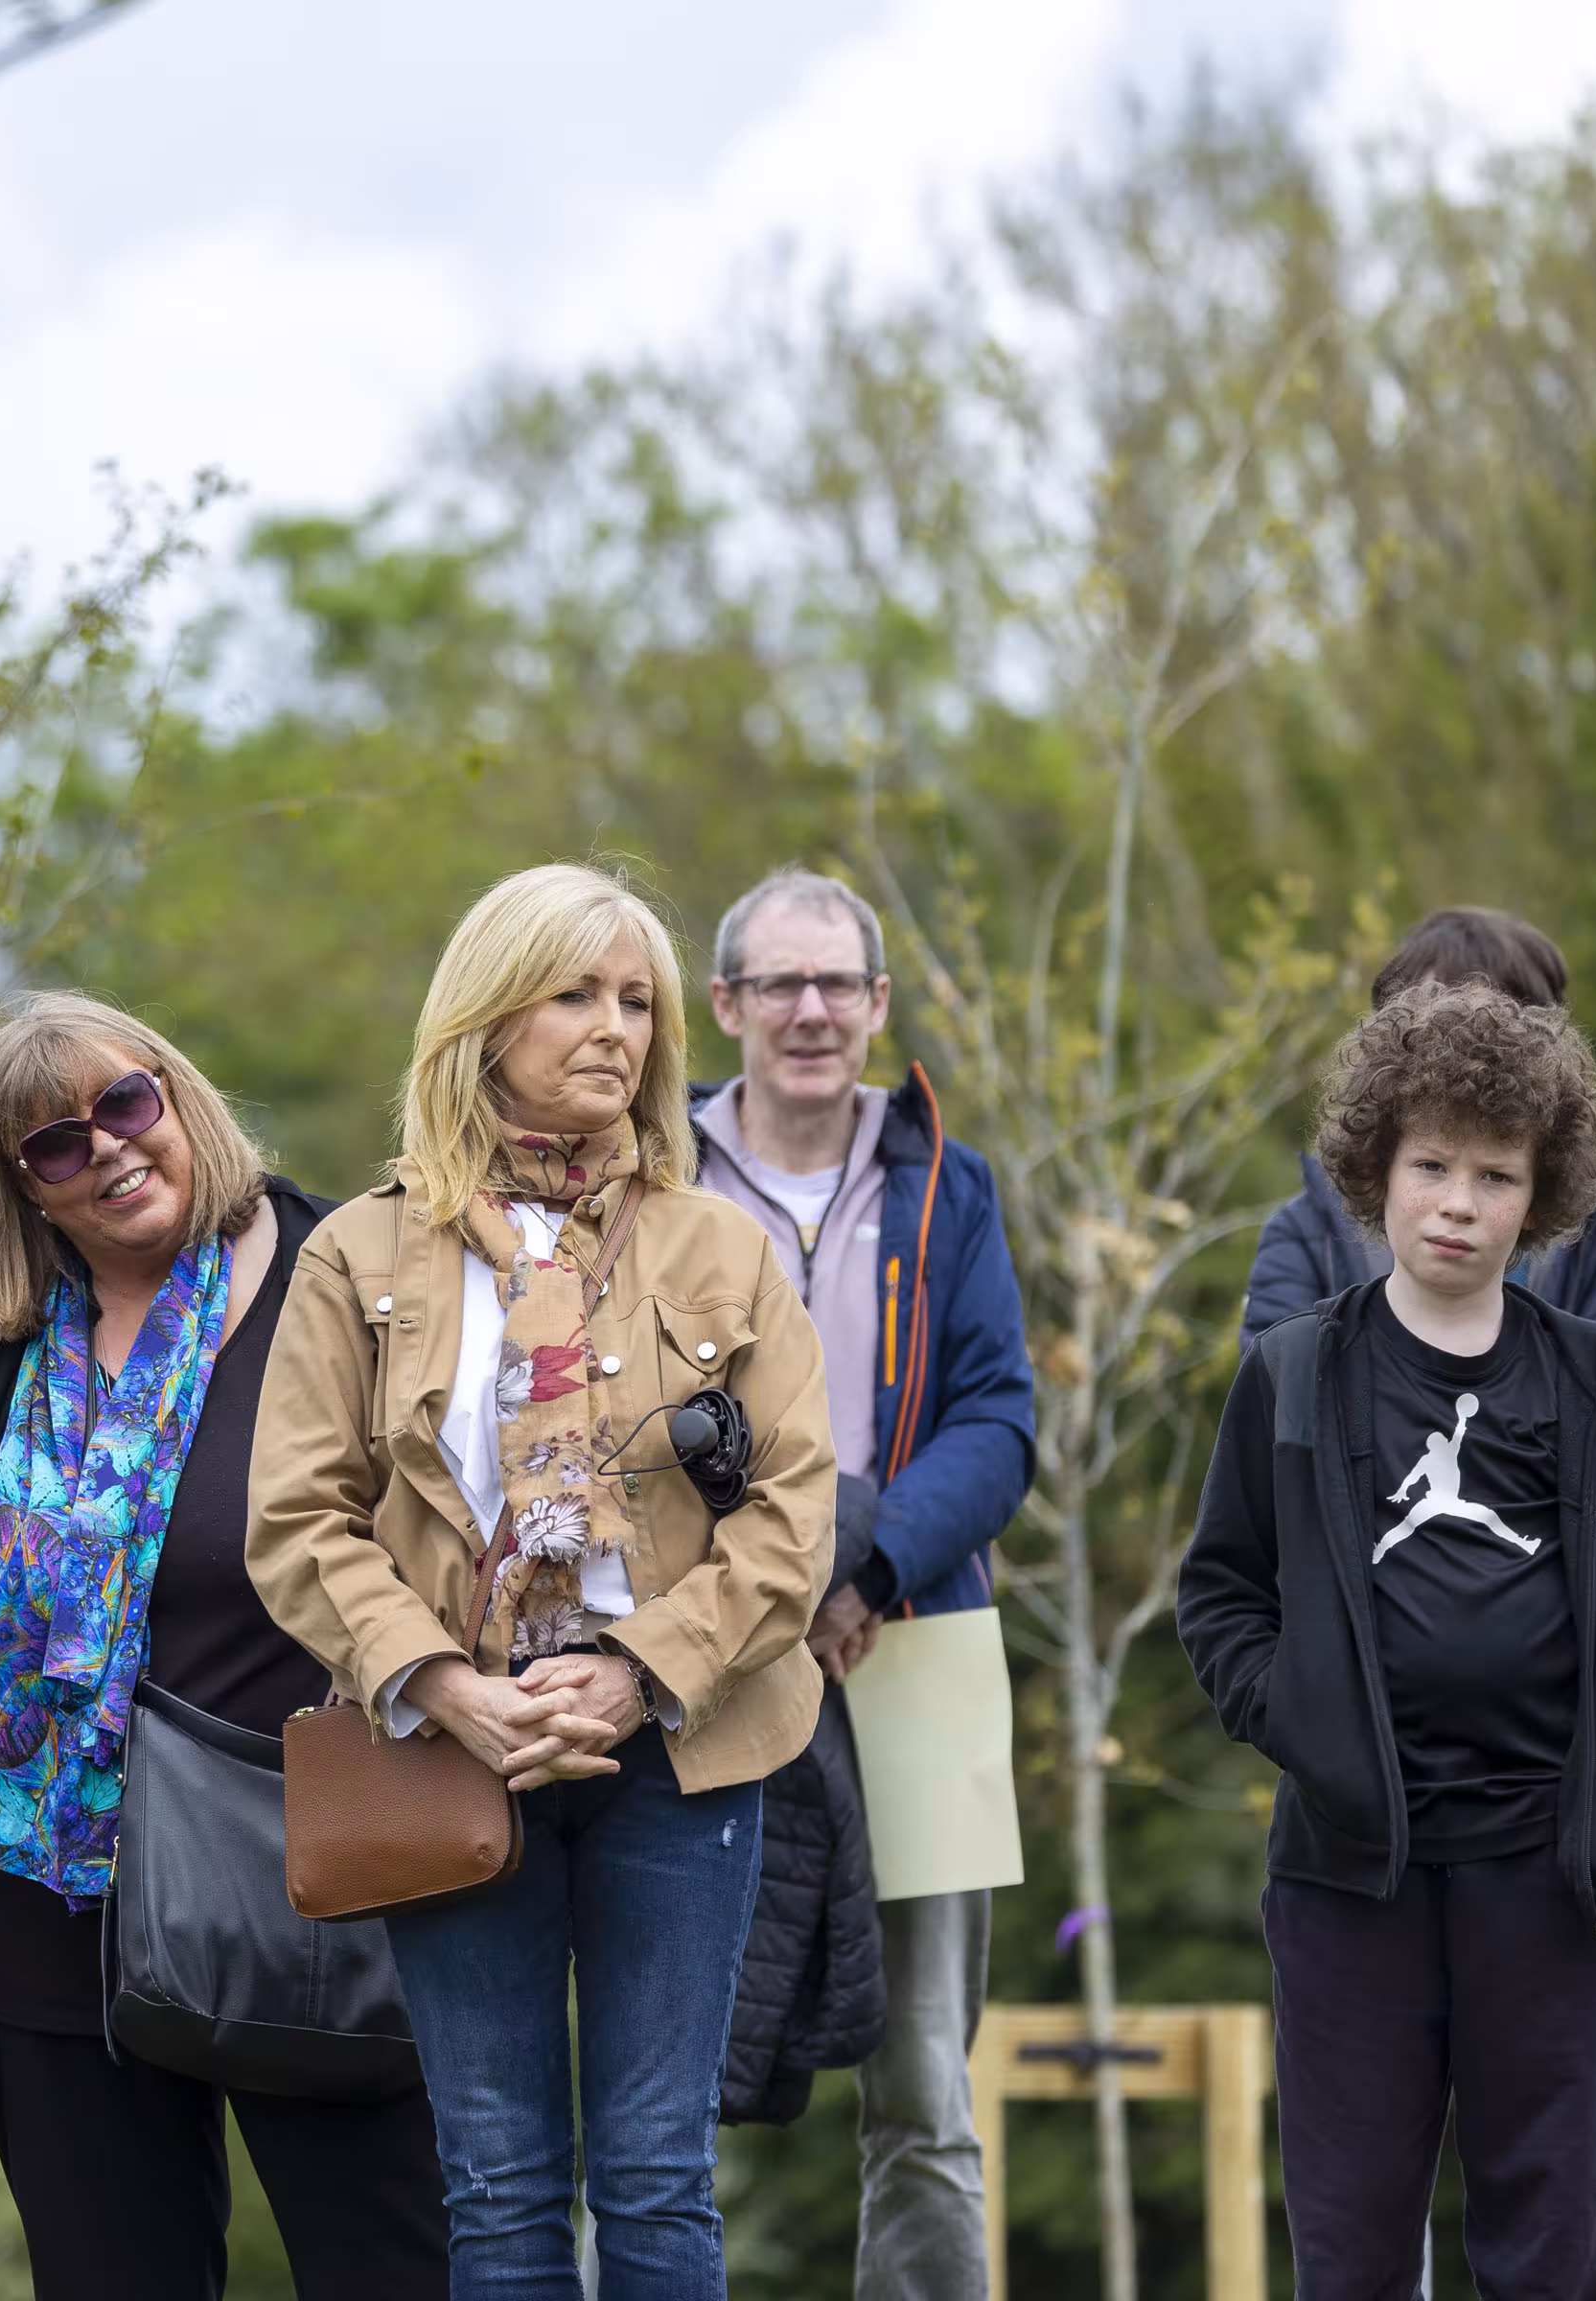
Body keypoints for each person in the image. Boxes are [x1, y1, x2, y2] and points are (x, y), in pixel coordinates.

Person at [248, 862, 834, 2299]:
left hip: (682, 1753)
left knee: (654, 2179)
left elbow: (793, 1516)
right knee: (499, 2191)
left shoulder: (724, 1249)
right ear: (488, 1017)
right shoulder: (359, 1252)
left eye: (635, 1001)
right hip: (453, 1757)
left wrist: (638, 1677)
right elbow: (298, 1518)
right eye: (574, 993)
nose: (615, 1030)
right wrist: (448, 1687)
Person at [0, 991, 447, 2301]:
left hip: (304, 1893)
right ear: (21, 1190)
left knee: (406, 2275)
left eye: (124, 1106)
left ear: (177, 1096)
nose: (109, 1149)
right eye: (57, 1145)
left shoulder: (342, 1280)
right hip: (48, 1913)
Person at [1178, 980, 1596, 2296]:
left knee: (1555, 2245)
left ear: (1538, 1195)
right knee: (1354, 2242)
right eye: (1431, 1164)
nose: (1458, 1202)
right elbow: (1221, 1595)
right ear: (1377, 1167)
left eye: (1496, 1175)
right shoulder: (1298, 1371)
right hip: (1350, 1880)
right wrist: (1307, 1719)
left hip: (1552, 1879)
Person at [691, 867, 1036, 2293]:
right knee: (661, 2086)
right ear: (728, 1008)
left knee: (926, 2100)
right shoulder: (659, 1179)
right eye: (782, 984)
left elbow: (1001, 1417)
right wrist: (764, 1591)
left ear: (879, 1004)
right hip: (696, 1657)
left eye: (839, 984)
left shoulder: (950, 1184)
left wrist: (870, 1569)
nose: (813, 1011)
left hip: (921, 1654)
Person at [1244, 906, 1596, 1340]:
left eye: (1494, 1031)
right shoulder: (1306, 1233)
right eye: (1418, 1028)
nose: (1454, 1056)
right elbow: (1277, 1392)